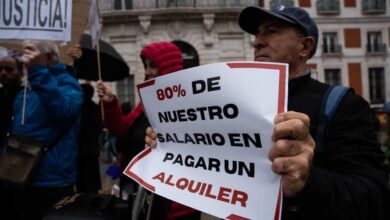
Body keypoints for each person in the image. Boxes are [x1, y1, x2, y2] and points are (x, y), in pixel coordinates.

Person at [145, 6, 390, 220]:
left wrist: (309, 180)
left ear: (304, 46)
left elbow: (373, 197)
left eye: (271, 32)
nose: (257, 41)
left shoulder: (342, 104)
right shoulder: (235, 102)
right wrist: (170, 143)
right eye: (257, 34)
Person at [97, 41, 201, 220]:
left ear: (167, 68)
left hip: (173, 203)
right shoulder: (146, 102)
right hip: (141, 194)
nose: (146, 71)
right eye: (146, 66)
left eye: (153, 65)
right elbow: (123, 129)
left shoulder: (188, 107)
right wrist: (110, 102)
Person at [0, 41, 83, 220]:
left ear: (49, 57)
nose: (25, 58)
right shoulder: (27, 86)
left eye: (32, 54)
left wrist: (38, 71)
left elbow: (63, 109)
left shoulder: (68, 84)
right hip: (20, 176)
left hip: (52, 181)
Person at [0, 54, 24, 220]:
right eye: (0, 69)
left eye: (9, 69)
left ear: (20, 72)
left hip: (19, 160)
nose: (3, 73)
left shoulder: (26, 96)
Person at [76, 83, 102, 193]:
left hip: (81, 149)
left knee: (82, 182)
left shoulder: (78, 109)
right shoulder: (96, 108)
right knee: (92, 181)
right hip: (92, 149)